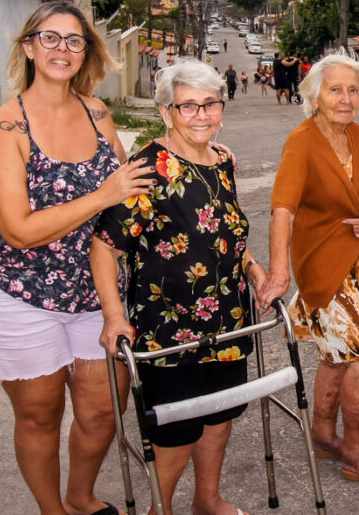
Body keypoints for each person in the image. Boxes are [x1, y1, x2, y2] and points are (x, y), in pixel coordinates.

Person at [0, 0, 154, 515]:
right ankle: (53, 511)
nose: (61, 49)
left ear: (86, 51)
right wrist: (103, 196)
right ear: (28, 47)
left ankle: (80, 496)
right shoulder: (6, 127)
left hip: (91, 288)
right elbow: (18, 231)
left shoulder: (97, 112)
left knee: (100, 412)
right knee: (40, 416)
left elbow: (126, 197)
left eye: (74, 40)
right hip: (18, 291)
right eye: (49, 38)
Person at [90, 59, 270, 514]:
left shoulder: (223, 159)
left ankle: (206, 500)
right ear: (166, 112)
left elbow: (224, 233)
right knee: (174, 431)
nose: (201, 115)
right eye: (187, 106)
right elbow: (104, 247)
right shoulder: (149, 169)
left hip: (228, 320)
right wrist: (114, 316)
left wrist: (252, 269)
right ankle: (159, 510)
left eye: (209, 104)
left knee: (220, 416)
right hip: (169, 330)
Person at [257, 54, 359, 487]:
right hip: (322, 267)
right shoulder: (302, 141)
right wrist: (280, 273)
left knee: (337, 355)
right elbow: (281, 208)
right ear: (314, 95)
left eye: (353, 89)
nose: (345, 98)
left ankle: (323, 435)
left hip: (358, 263)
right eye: (334, 89)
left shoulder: (357, 135)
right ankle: (355, 452)